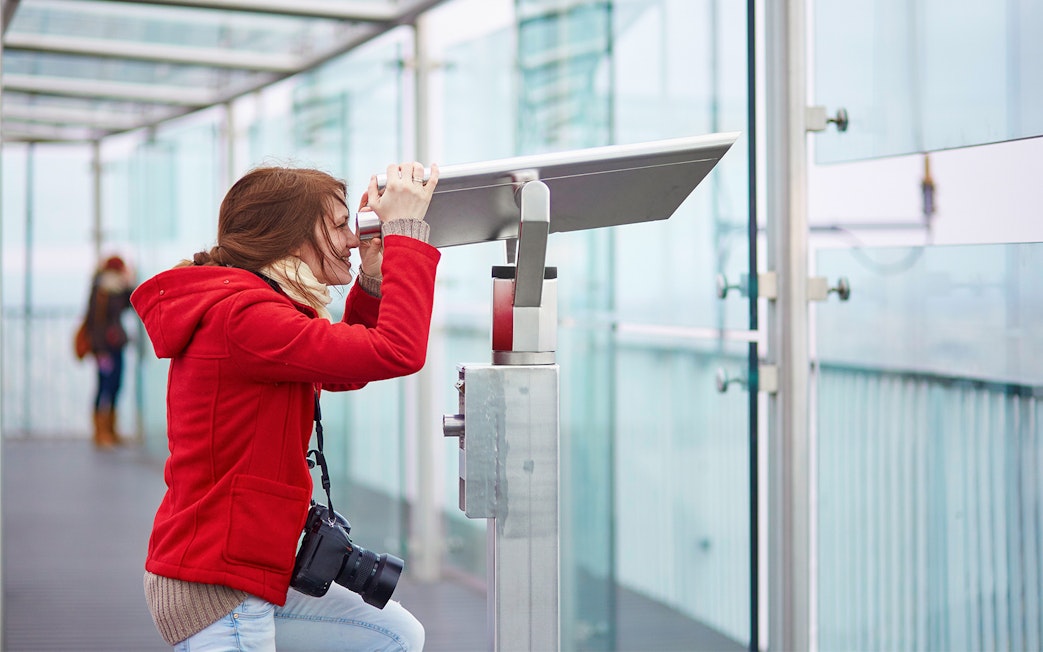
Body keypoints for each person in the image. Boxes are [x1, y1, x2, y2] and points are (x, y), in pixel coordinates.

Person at [130, 161, 440, 651]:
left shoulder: (255, 308)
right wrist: (405, 235)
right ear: (290, 238)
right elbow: (398, 350)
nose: (354, 240)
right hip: (220, 585)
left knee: (394, 635)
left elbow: (347, 368)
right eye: (340, 226)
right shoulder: (244, 317)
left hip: (251, 565)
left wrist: (376, 279)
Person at [84, 254, 135, 447]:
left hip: (116, 345)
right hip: (104, 348)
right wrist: (99, 350)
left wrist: (129, 282)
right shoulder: (100, 290)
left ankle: (112, 431)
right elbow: (94, 322)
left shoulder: (118, 289)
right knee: (103, 387)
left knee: (116, 386)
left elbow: (132, 302)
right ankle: (100, 432)